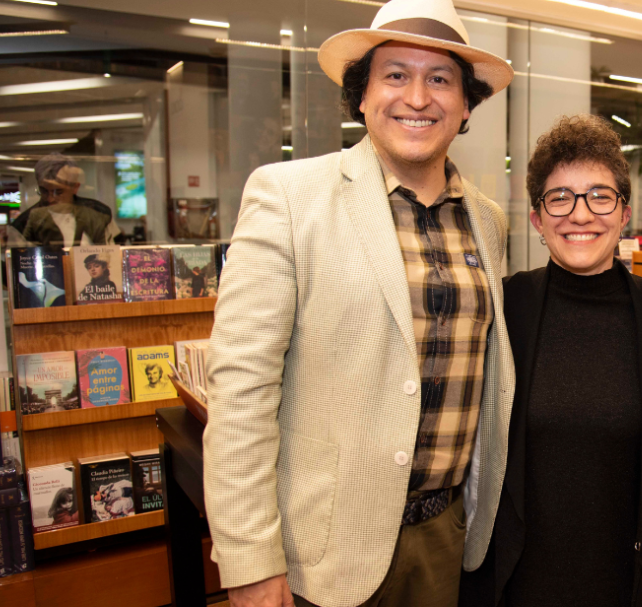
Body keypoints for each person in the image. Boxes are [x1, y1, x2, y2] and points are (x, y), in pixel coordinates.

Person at [202, 0, 516, 606]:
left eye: (441, 78)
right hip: (322, 550)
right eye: (395, 74)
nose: (417, 97)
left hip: (445, 536)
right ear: (363, 94)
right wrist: (249, 564)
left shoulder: (487, 221)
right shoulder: (289, 197)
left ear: (466, 103)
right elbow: (241, 390)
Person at [459, 115, 642, 607]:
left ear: (624, 214)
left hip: (627, 581)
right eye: (560, 198)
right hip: (519, 582)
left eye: (599, 196)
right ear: (536, 218)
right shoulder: (504, 309)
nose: (580, 215)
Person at [12, 153, 120, 247]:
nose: (50, 199)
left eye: (58, 192)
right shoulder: (23, 224)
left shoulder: (100, 214)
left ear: (75, 187)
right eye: (44, 191)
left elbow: (111, 255)